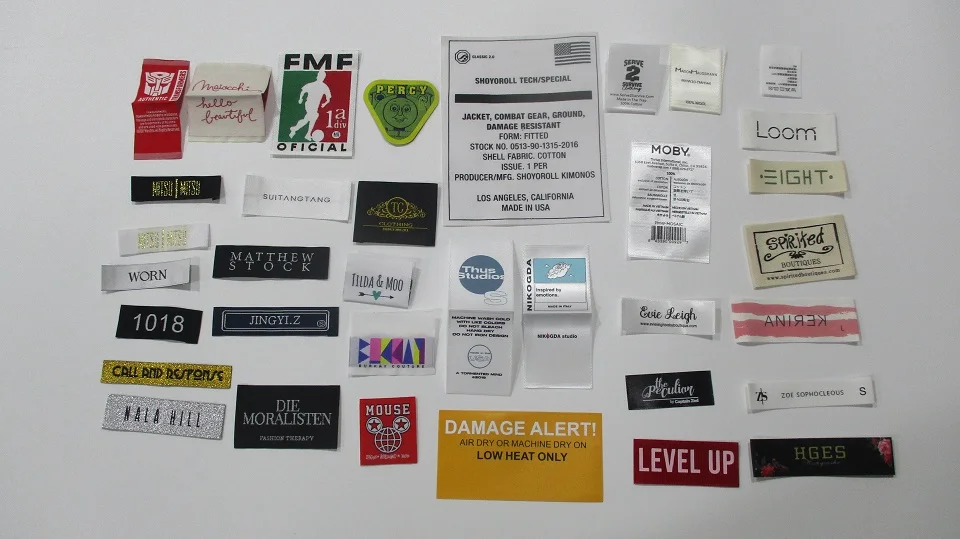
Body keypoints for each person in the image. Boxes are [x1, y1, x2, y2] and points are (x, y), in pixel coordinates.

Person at [288, 71, 332, 140]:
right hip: (309, 104)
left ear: (323, 77)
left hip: (315, 106)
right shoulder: (311, 84)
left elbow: (328, 99)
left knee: (306, 119)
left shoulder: (324, 87)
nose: (320, 77)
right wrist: (300, 99)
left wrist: (324, 103)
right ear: (317, 76)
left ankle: (295, 129)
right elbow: (303, 91)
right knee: (314, 116)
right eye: (319, 76)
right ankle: (307, 134)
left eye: (322, 76)